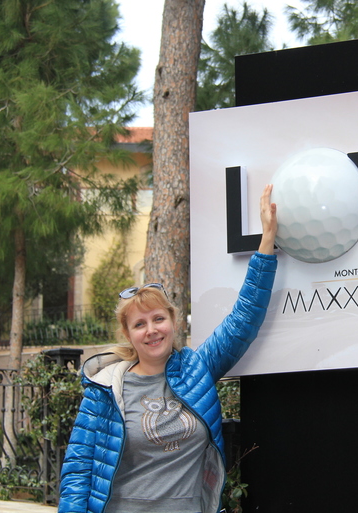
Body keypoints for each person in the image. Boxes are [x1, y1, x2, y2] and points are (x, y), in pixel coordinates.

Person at [58, 185, 278, 513]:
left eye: (158, 318)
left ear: (173, 322)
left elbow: (243, 320)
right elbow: (78, 472)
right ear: (128, 334)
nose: (151, 330)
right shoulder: (105, 389)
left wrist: (267, 239)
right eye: (139, 324)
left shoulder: (196, 369)